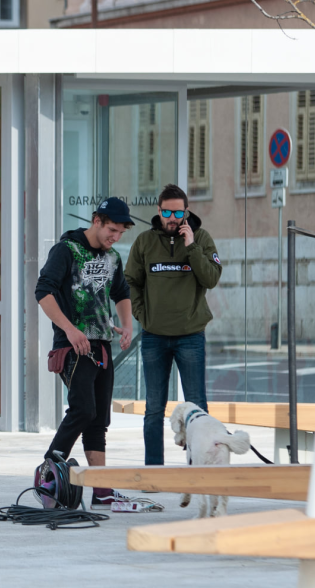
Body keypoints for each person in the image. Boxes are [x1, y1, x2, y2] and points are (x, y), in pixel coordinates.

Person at [36, 197, 134, 510]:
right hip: (74, 346)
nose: (115, 237)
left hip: (102, 345)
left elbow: (121, 293)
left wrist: (126, 325)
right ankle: (48, 471)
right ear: (96, 221)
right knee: (83, 410)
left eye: (120, 233)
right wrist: (69, 329)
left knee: (98, 420)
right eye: (112, 230)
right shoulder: (66, 250)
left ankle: (101, 490)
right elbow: (43, 291)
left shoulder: (113, 258)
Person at [125, 184, 222, 466]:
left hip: (190, 335)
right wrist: (142, 315)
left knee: (197, 407)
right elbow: (131, 281)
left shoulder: (201, 238)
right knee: (154, 409)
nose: (172, 218)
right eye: (167, 212)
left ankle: (199, 469)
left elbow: (211, 278)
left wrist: (191, 247)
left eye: (178, 213)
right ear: (158, 210)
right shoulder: (144, 242)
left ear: (186, 212)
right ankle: (154, 473)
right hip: (154, 336)